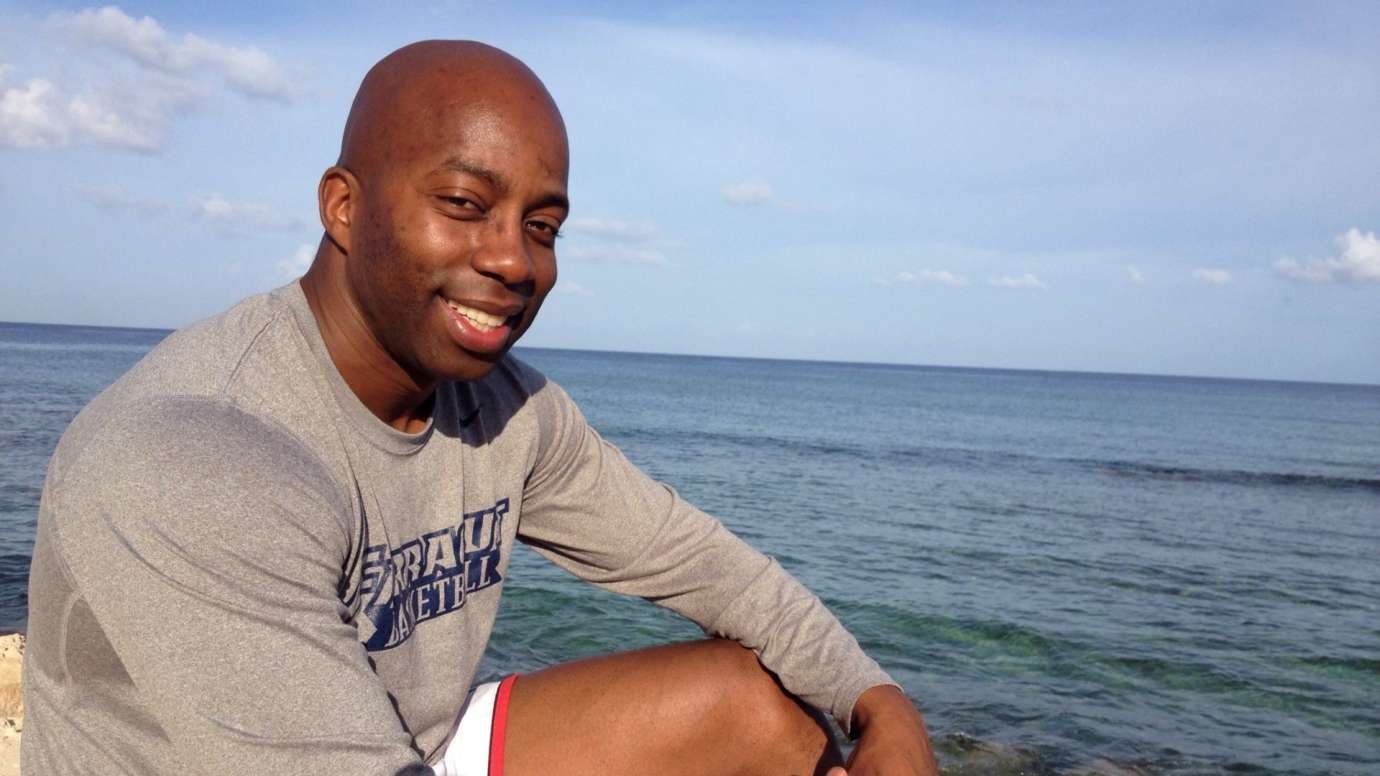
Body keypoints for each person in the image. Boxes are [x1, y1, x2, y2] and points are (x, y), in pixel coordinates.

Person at [22, 40, 938, 776]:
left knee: (763, 710)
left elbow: (710, 569)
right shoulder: (195, 453)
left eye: (542, 226)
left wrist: (881, 705)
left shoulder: (505, 410)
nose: (515, 261)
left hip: (412, 744)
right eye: (465, 204)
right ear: (344, 206)